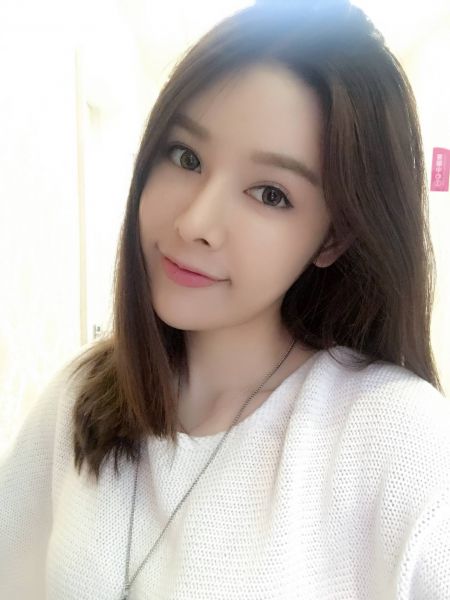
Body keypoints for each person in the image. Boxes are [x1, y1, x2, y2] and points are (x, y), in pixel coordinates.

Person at [1, 0, 450, 598]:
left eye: (270, 193)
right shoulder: (83, 392)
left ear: (332, 239)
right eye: (186, 157)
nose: (195, 222)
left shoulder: (399, 440)